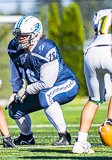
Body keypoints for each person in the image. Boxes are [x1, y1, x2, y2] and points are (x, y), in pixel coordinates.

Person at [6, 15, 80, 146]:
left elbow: (47, 83)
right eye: (18, 35)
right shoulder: (14, 48)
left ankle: (64, 136)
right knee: (14, 109)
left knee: (46, 95)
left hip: (65, 83)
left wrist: (26, 89)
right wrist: (15, 92)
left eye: (24, 35)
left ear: (35, 34)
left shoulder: (45, 48)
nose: (19, 39)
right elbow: (15, 73)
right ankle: (27, 137)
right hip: (40, 88)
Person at [72, 9, 112, 154]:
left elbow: (98, 30)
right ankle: (110, 121)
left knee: (94, 100)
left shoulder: (101, 13)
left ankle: (80, 142)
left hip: (92, 51)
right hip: (110, 48)